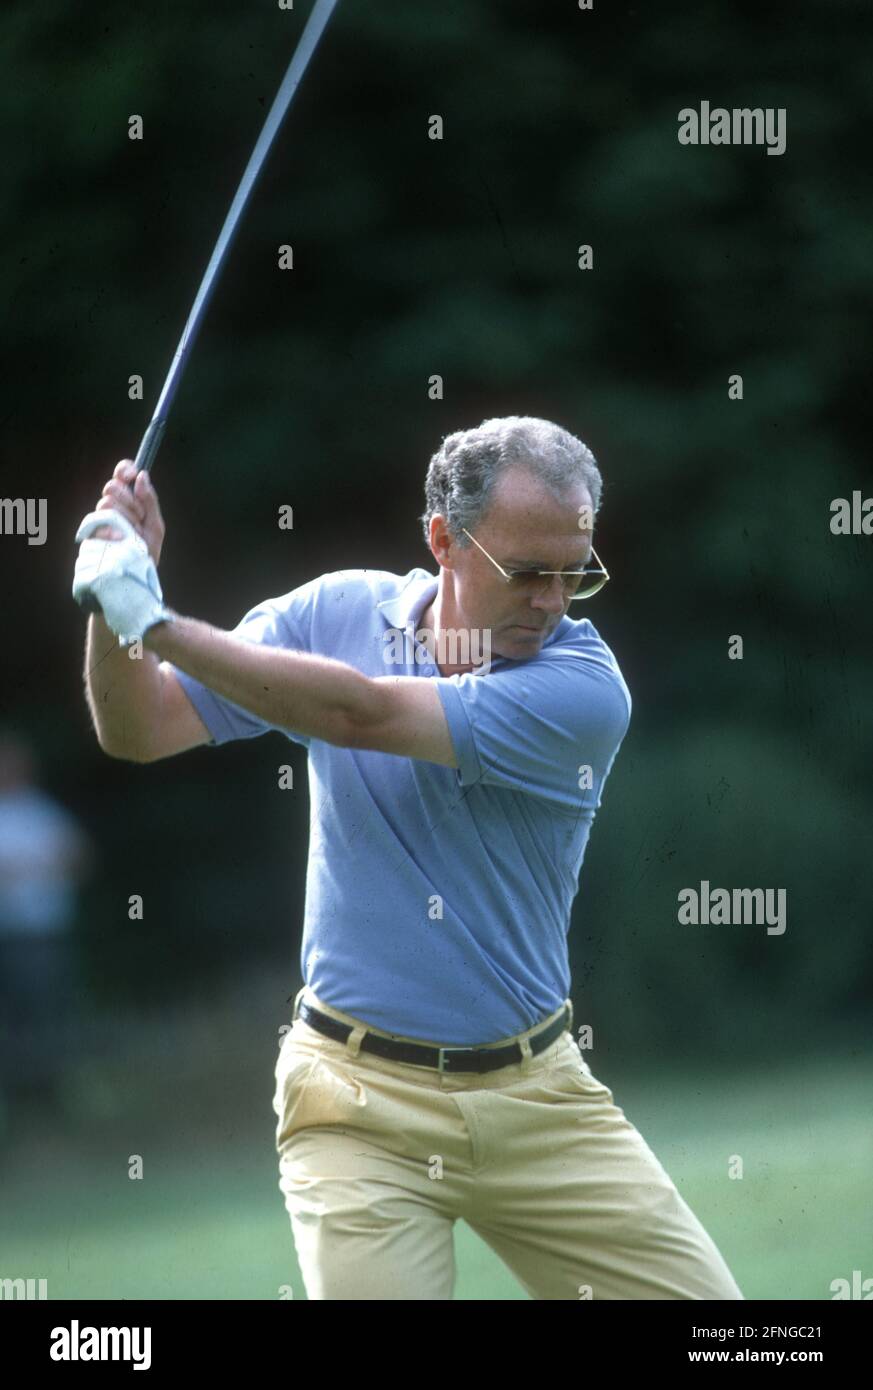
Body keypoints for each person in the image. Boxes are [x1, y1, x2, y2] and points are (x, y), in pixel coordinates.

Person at [74, 416, 744, 1300]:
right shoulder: (333, 614)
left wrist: (150, 618)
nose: (552, 599)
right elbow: (137, 728)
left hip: (539, 1098)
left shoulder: (582, 691)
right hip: (352, 1106)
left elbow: (364, 716)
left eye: (574, 572)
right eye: (528, 573)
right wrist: (113, 610)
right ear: (442, 540)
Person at [0, 731, 94, 1112]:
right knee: (13, 1021)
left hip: (44, 934)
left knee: (47, 1015)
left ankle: (50, 1098)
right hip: (8, 934)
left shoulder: (42, 812)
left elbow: (79, 858)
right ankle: (16, 1100)